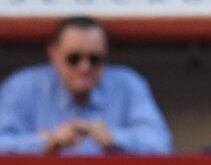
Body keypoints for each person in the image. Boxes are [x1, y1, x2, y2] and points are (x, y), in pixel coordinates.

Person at [0, 16, 171, 156]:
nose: (84, 67)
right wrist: (46, 142)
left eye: (95, 59)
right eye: (73, 58)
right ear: (54, 54)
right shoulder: (22, 87)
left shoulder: (128, 85)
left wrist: (115, 138)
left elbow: (161, 145)